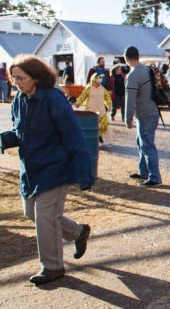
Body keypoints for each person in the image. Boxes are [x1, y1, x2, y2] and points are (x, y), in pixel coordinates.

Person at [0, 55, 94, 285]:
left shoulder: (53, 99)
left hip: (56, 168)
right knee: (31, 213)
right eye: (14, 78)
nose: (16, 83)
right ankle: (78, 232)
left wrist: (84, 171)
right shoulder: (19, 101)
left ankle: (52, 267)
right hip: (31, 170)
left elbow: (73, 135)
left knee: (44, 215)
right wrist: (3, 139)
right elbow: (19, 133)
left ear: (36, 77)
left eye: (21, 78)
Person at [124, 45, 162, 187]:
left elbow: (130, 99)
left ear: (126, 58)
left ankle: (154, 177)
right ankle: (144, 172)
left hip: (144, 114)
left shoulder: (133, 75)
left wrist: (128, 118)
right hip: (153, 111)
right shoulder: (146, 69)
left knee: (146, 145)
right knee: (142, 143)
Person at [75, 73, 112, 143]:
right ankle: (91, 139)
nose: (99, 82)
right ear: (94, 80)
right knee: (90, 126)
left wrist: (109, 105)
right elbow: (83, 96)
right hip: (90, 110)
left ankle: (99, 135)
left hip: (101, 110)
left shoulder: (103, 89)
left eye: (100, 80)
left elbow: (107, 98)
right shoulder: (88, 88)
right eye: (98, 80)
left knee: (105, 124)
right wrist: (78, 103)